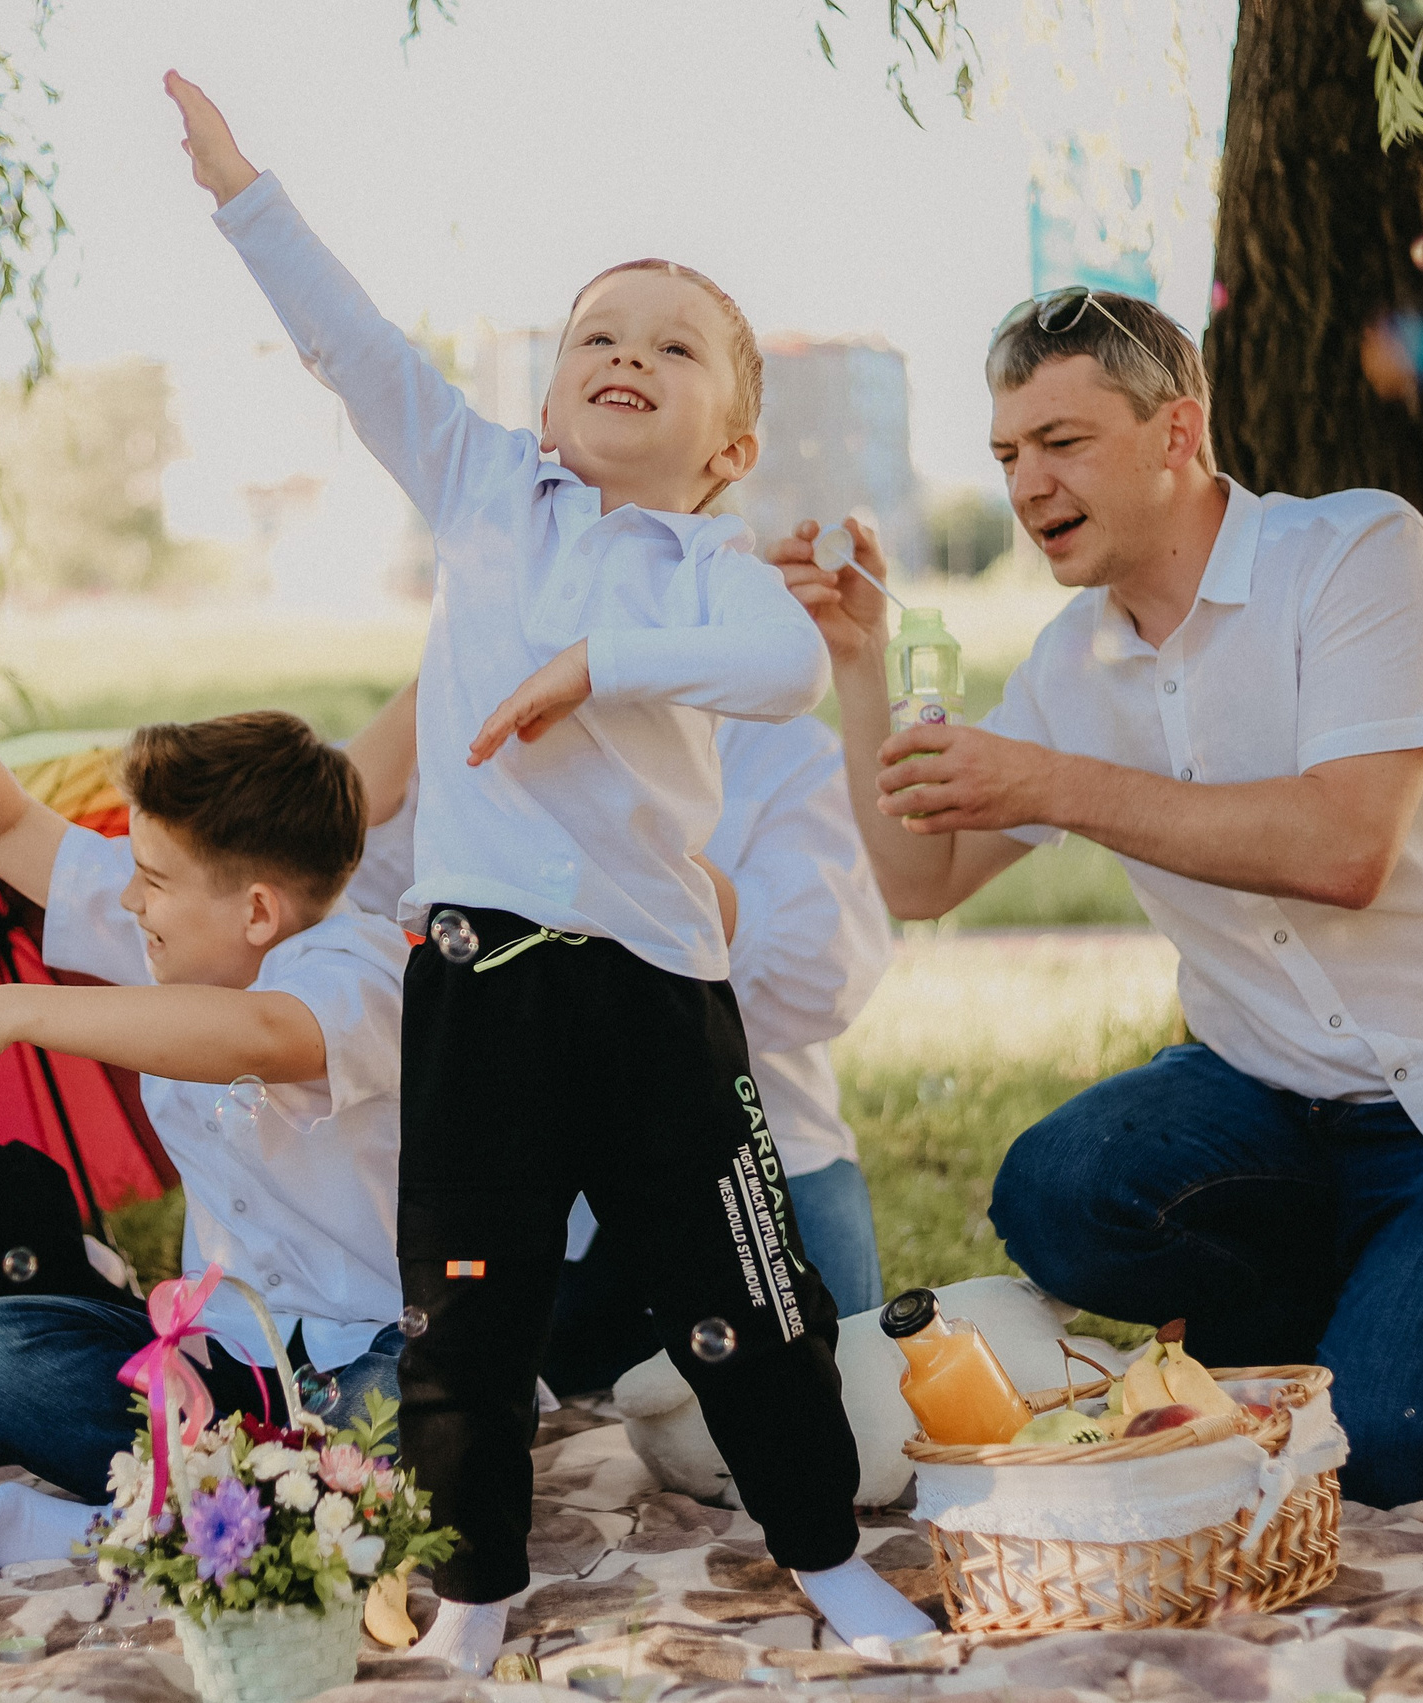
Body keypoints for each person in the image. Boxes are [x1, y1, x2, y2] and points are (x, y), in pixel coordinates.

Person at [167, 72, 930, 1669]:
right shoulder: (479, 488)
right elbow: (352, 344)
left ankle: (825, 1558)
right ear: (546, 394)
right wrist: (245, 190)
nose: (627, 355)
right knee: (465, 1315)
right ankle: (480, 1588)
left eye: (671, 342)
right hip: (478, 976)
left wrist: (598, 660)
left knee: (752, 1292)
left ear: (731, 447)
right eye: (598, 334)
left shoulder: (724, 564)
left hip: (658, 988)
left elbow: (781, 670)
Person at [775, 287, 1423, 1507]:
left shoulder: (1359, 554)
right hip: (1264, 1099)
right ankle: (1338, 1317)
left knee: (1393, 1454)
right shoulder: (1069, 662)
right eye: (1008, 453)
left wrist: (1054, 779)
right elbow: (917, 876)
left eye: (1062, 442)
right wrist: (856, 665)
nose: (1026, 483)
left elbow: (1342, 848)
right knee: (1056, 1184)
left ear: (1175, 434)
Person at [0, 529, 410, 1573]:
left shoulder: (356, 971)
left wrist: (15, 1008)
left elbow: (258, 1040)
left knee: (409, 1414)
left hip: (377, 1353)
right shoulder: (176, 927)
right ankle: (260, 1508)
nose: (124, 897)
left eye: (150, 877)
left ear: (259, 910)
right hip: (223, 1366)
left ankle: (185, 1512)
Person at [346, 677, 892, 1392]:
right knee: (467, 1403)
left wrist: (630, 860)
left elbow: (826, 979)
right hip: (543, 1181)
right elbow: (321, 859)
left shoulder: (788, 753)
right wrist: (448, 659)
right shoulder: (486, 724)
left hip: (758, 1152)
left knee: (838, 1403)